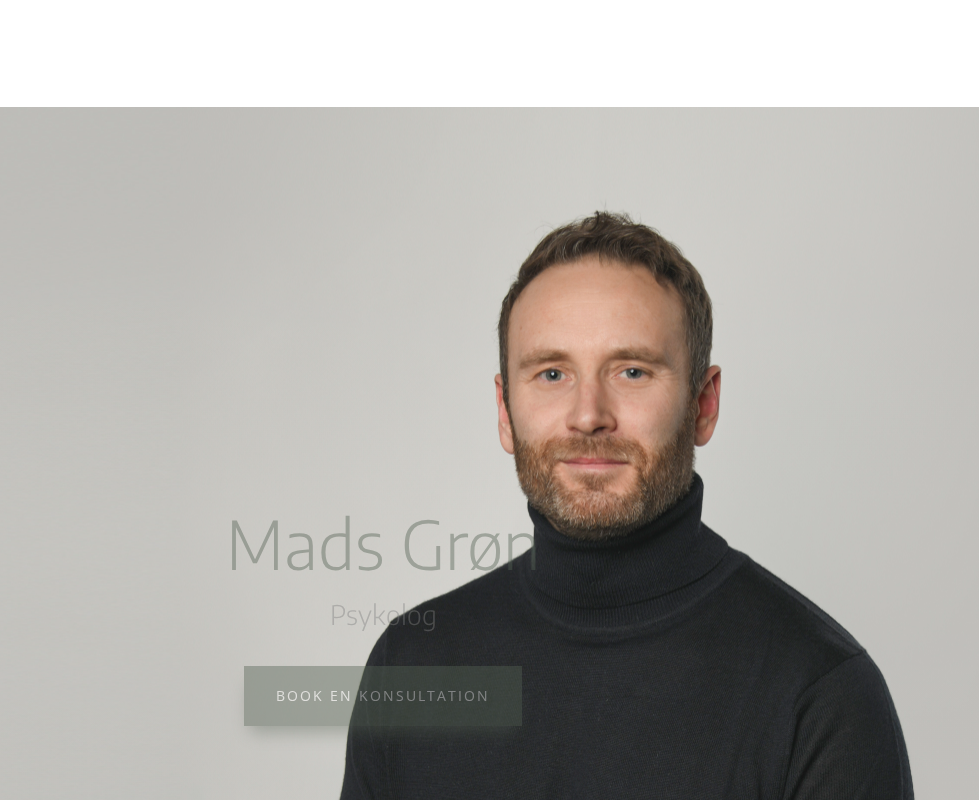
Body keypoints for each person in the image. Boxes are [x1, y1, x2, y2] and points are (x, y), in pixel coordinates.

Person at [338, 212, 913, 799]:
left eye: (632, 371)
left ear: (703, 405)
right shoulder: (411, 663)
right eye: (552, 373)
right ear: (506, 412)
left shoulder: (820, 696)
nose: (589, 415)